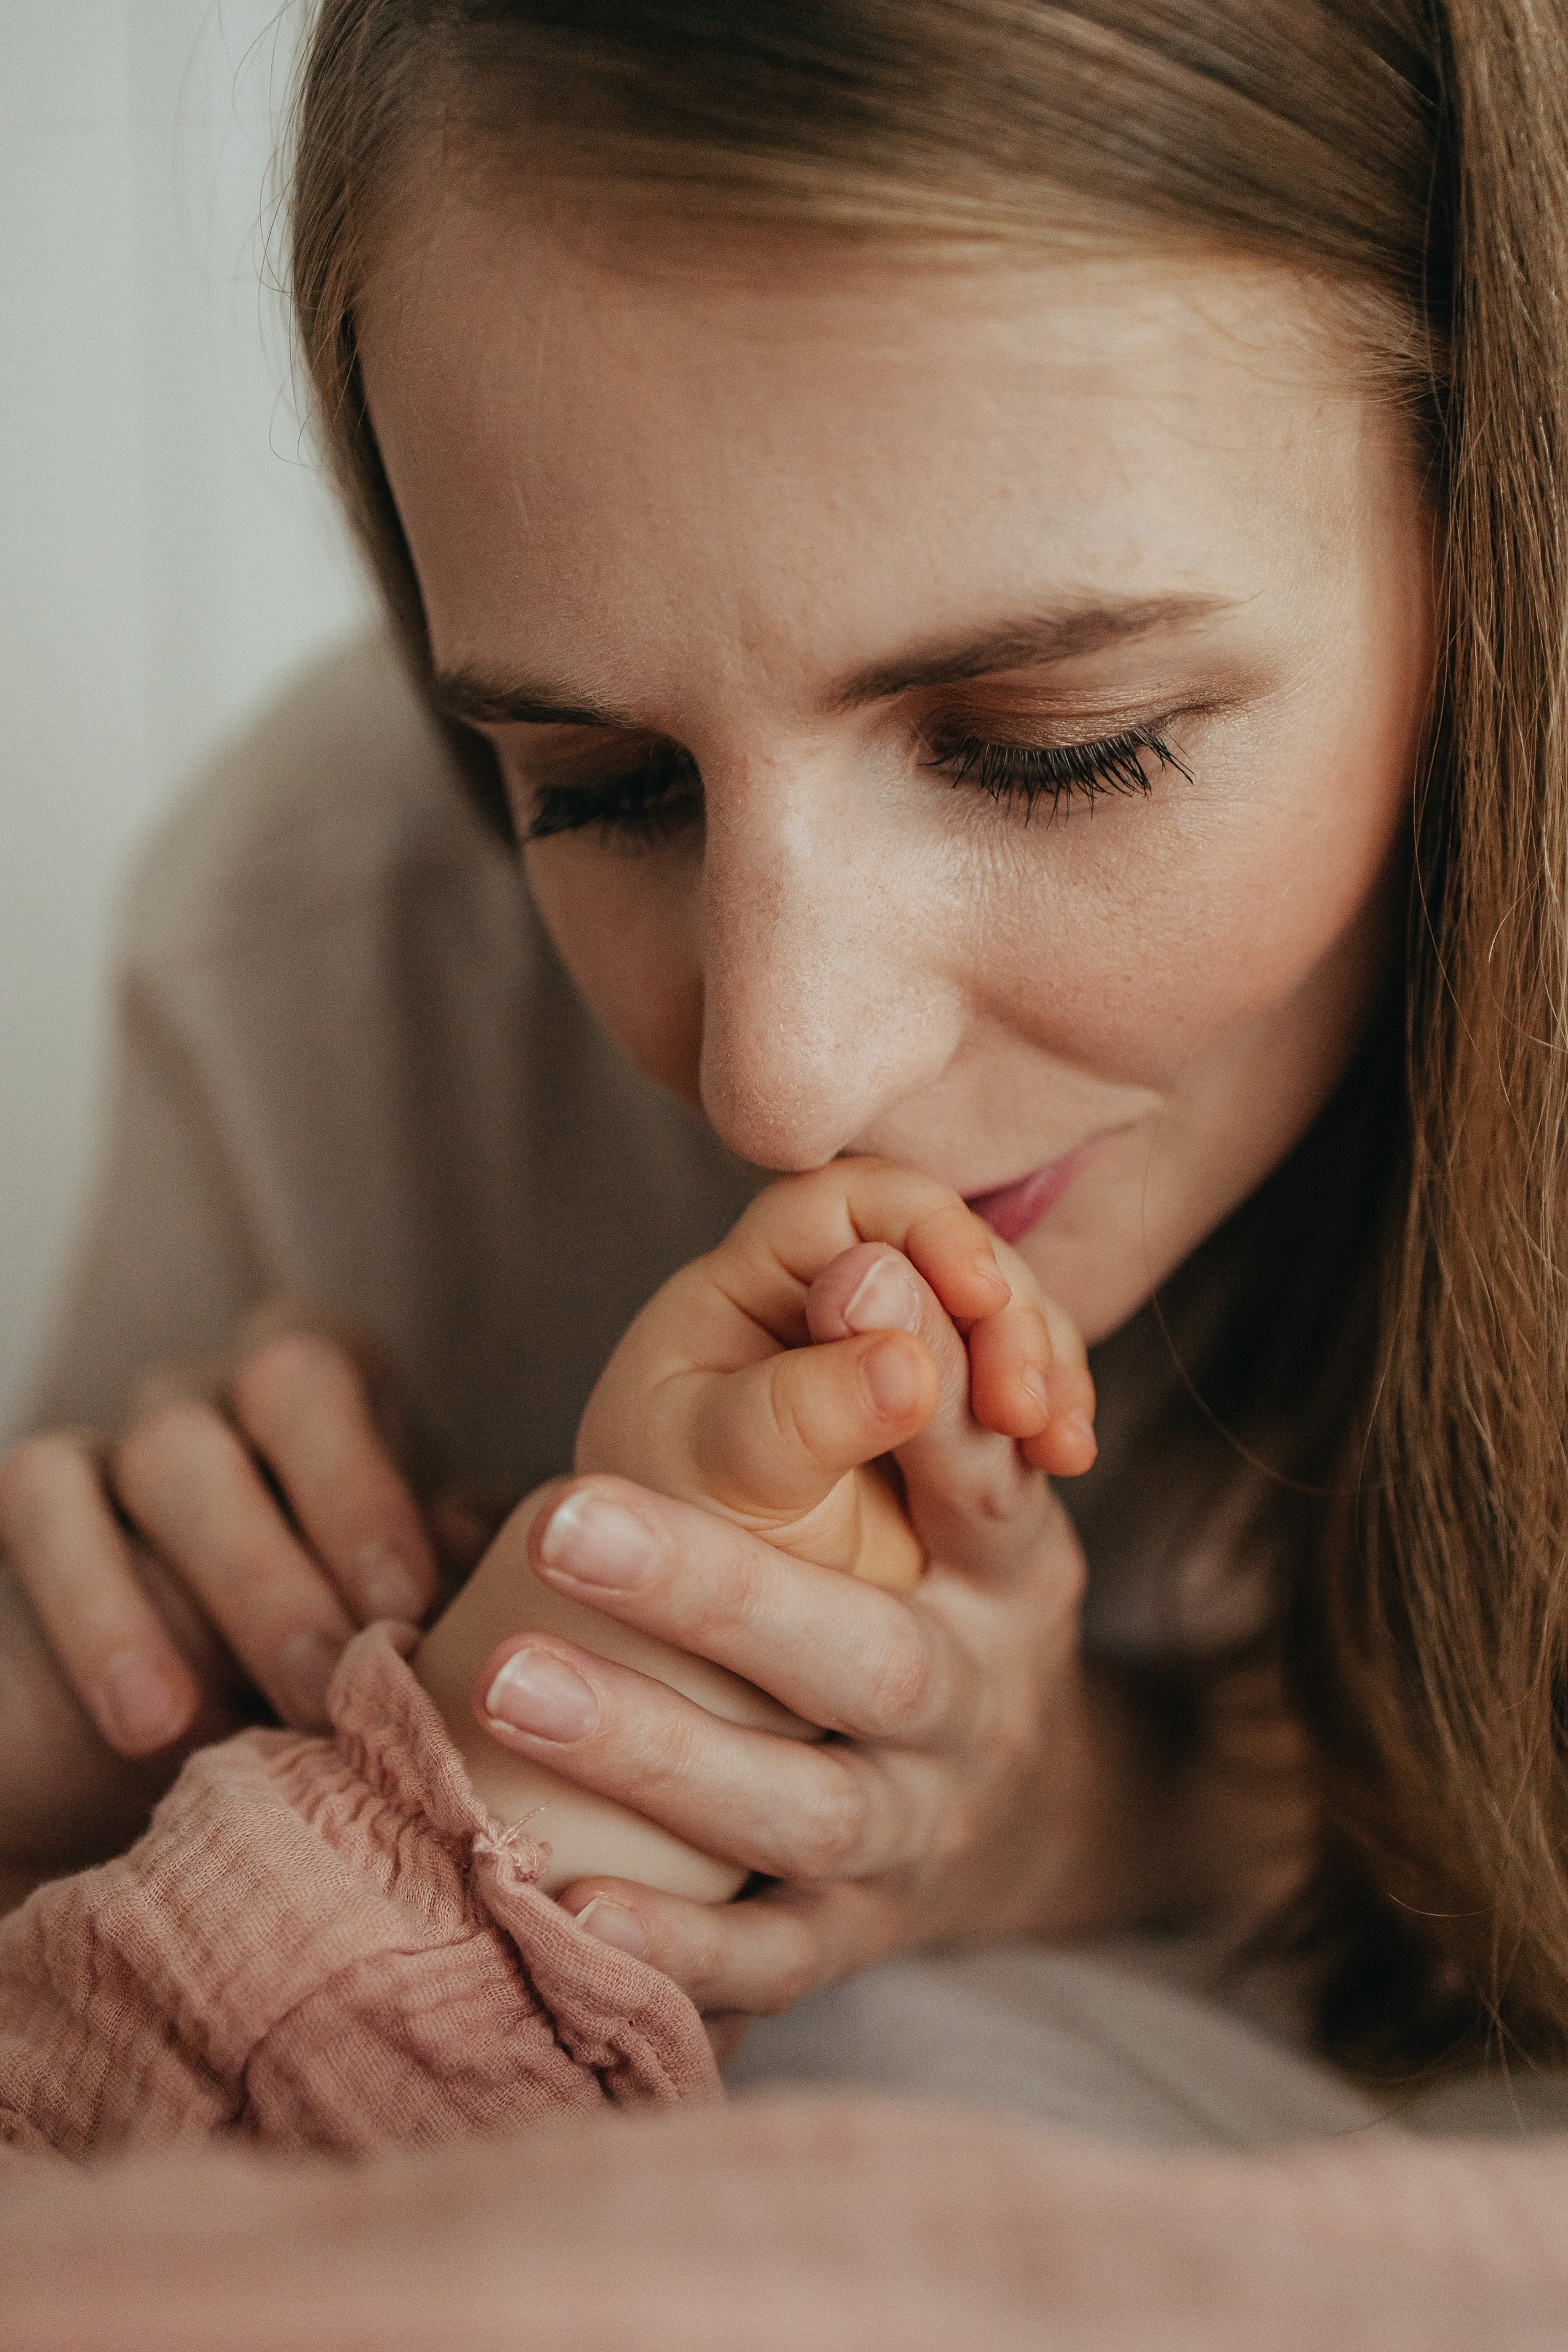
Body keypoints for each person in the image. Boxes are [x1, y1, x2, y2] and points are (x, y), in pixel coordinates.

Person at [3, 0, 1568, 2305]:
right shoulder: (332, 946)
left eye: (1058, 749)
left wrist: (1098, 1805)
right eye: (603, 786)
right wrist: (102, 1746)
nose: (782, 1083)